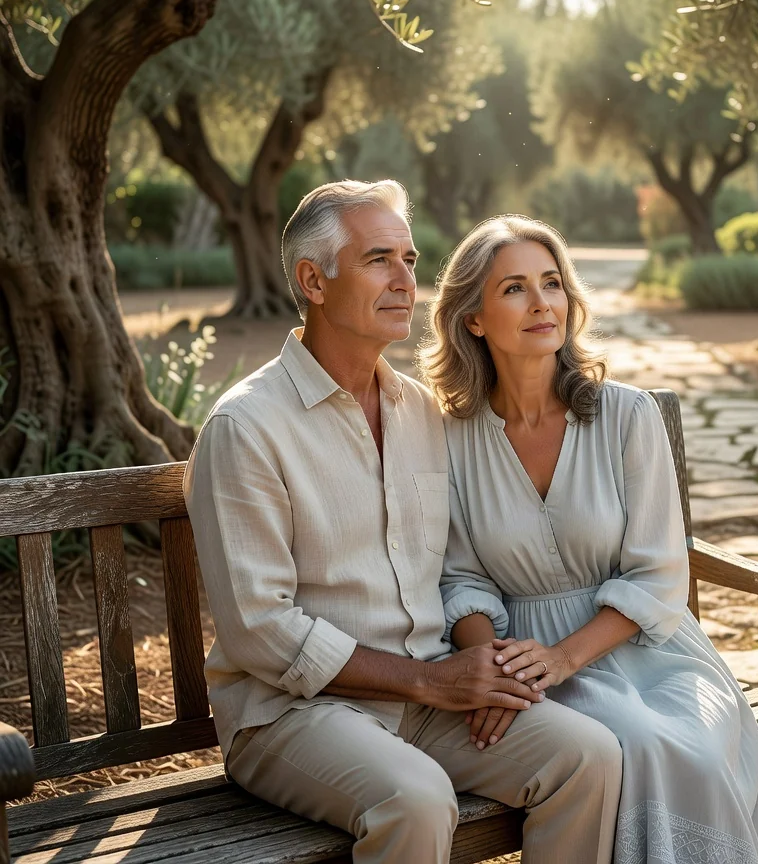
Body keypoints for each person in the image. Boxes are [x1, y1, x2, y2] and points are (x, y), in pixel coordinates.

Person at [183, 182, 623, 864]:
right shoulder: (246, 427)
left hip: (429, 695)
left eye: (411, 260)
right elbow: (259, 629)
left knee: (587, 754)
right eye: (379, 260)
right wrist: (428, 681)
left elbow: (452, 565)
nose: (405, 281)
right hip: (291, 714)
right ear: (313, 280)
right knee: (416, 801)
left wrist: (482, 668)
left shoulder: (420, 411)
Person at [419, 215, 758, 864]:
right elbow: (461, 577)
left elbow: (658, 572)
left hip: (649, 651)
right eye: (514, 288)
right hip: (527, 659)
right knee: (631, 744)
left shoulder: (626, 415)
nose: (542, 303)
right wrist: (496, 672)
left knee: (686, 747)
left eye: (552, 283)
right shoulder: (451, 438)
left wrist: (564, 657)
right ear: (473, 318)